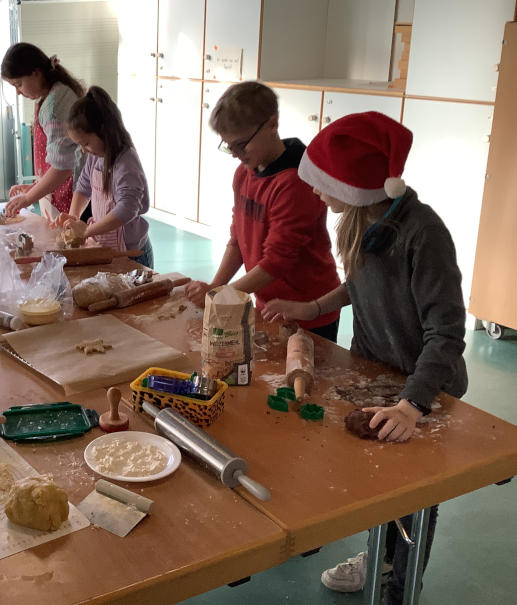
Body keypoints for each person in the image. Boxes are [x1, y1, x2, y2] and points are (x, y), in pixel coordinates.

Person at [262, 111, 467, 604]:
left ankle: (400, 581)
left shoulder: (424, 235)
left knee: (413, 493)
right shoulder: (363, 220)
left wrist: (412, 406)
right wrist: (313, 307)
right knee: (375, 479)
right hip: (377, 372)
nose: (313, 191)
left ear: (353, 186)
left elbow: (447, 333)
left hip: (425, 387)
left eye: (320, 182)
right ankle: (380, 555)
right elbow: (360, 285)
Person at [183, 81, 341, 342]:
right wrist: (217, 288)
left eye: (241, 145)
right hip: (268, 302)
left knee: (302, 377)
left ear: (272, 124)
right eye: (228, 146)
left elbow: (277, 261)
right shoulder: (245, 174)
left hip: (309, 309)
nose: (235, 155)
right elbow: (237, 240)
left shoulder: (295, 181)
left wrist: (223, 296)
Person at [53, 86, 153, 268]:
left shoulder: (126, 163)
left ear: (104, 131)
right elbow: (83, 186)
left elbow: (127, 209)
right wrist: (74, 218)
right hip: (107, 247)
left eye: (86, 143)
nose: (83, 150)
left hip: (131, 253)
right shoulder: (96, 156)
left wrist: (86, 231)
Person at [1, 42, 85, 219]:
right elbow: (58, 158)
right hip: (62, 190)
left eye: (19, 84)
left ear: (36, 73)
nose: (18, 92)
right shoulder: (52, 96)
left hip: (75, 192)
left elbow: (63, 166)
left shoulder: (54, 106)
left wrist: (28, 198)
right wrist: (35, 187)